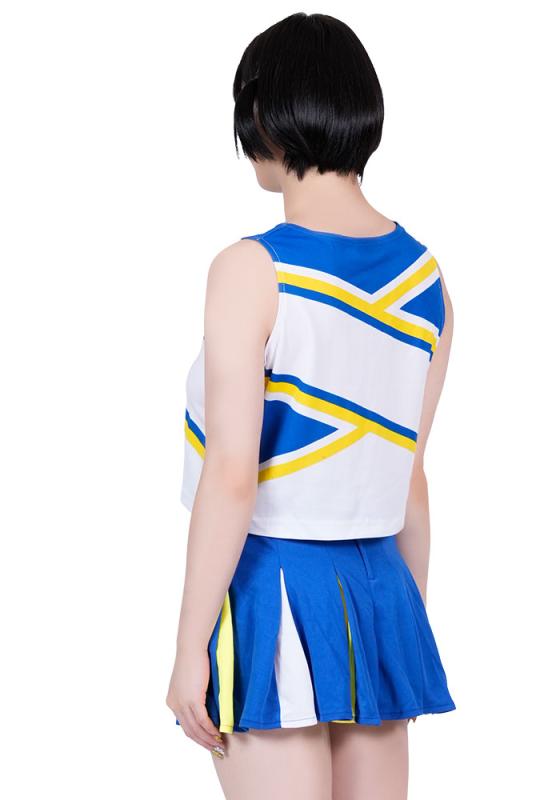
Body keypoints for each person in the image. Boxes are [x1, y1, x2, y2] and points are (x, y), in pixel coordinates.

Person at [166, 12, 456, 800]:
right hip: (382, 587)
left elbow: (233, 474)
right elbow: (410, 479)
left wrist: (190, 649)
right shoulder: (426, 282)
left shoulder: (251, 270)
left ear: (263, 114)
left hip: (274, 586)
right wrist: (401, 629)